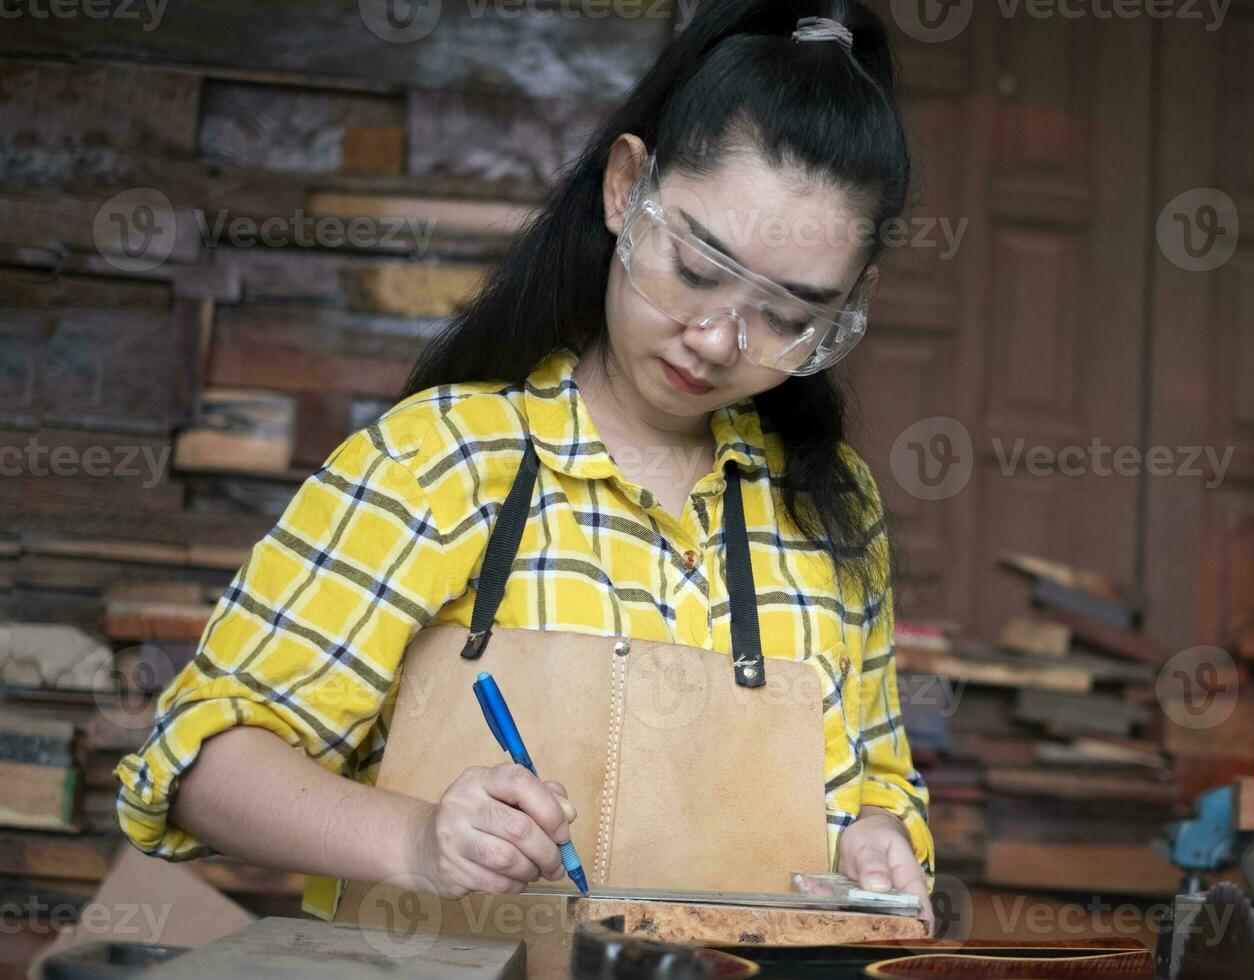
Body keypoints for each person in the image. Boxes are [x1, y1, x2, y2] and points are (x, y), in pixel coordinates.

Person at [115, 0, 934, 929]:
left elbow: (873, 778)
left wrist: (876, 834)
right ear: (628, 189)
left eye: (787, 316)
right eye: (698, 268)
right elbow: (199, 765)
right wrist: (415, 840)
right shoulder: (448, 459)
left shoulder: (830, 508)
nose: (715, 338)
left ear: (847, 305)